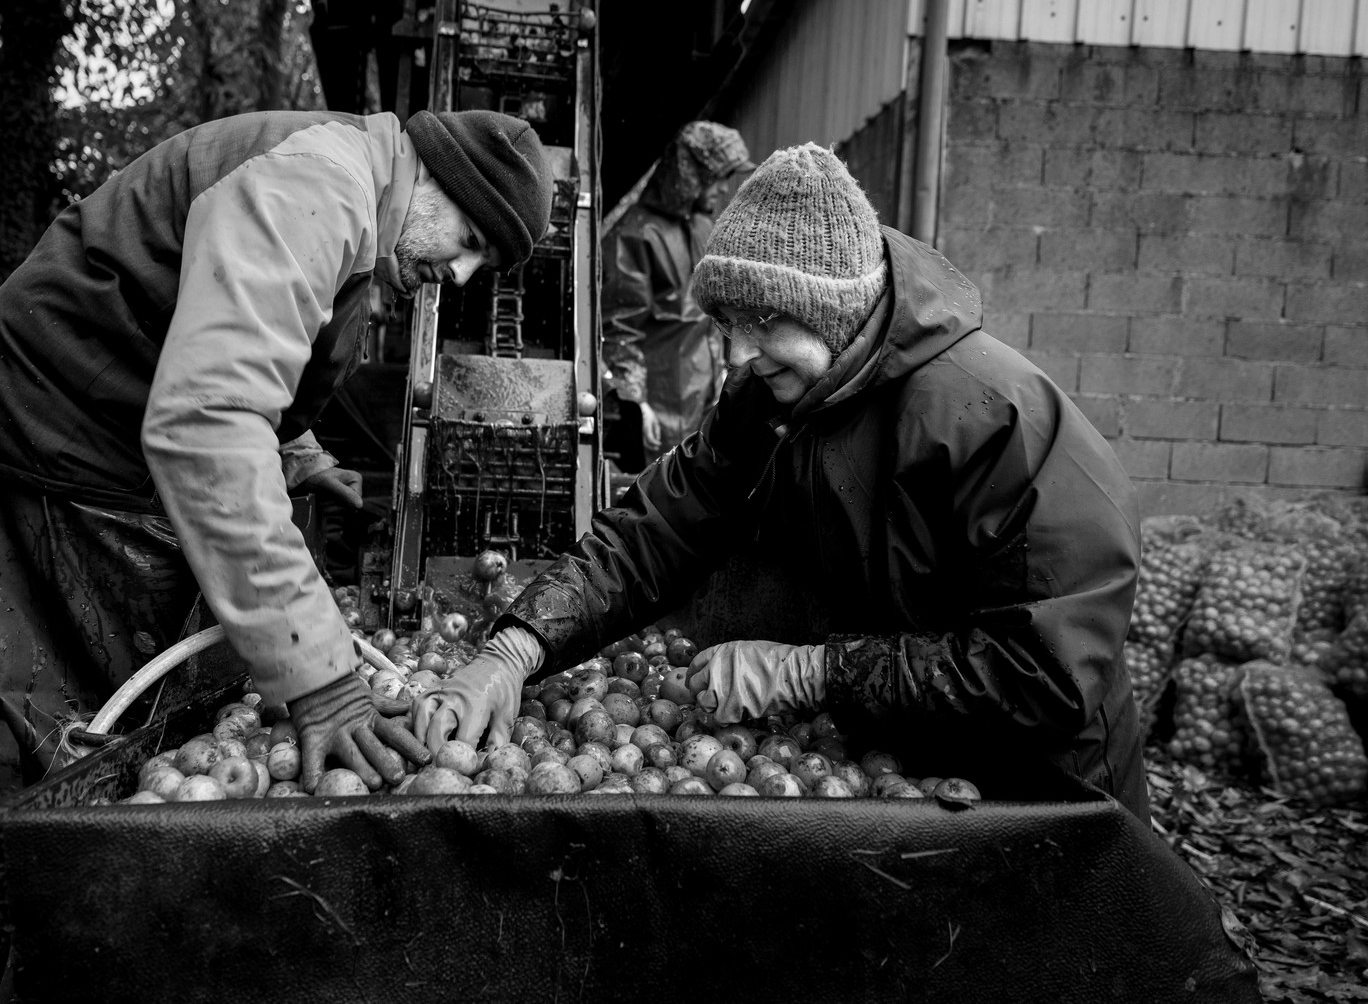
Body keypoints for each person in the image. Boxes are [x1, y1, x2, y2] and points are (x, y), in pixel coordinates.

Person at [414, 143, 1148, 819]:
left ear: (833, 308)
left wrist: (815, 674)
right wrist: (515, 650)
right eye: (726, 322)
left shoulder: (999, 423)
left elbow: (1043, 671)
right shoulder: (768, 401)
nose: (737, 354)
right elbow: (654, 531)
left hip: (1043, 796)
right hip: (889, 772)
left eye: (762, 320)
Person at [0, 108, 554, 798]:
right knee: (92, 730)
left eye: (482, 265)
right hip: (59, 435)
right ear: (435, 174)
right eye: (469, 241)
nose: (461, 275)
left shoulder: (351, 191)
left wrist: (298, 452)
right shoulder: (320, 183)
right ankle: (42, 844)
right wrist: (322, 678)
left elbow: (244, 341)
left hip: (93, 426)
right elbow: (210, 419)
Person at [601, 121, 753, 469]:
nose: (723, 188)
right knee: (658, 483)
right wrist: (636, 402)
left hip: (703, 396)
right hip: (659, 403)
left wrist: (723, 373)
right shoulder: (635, 233)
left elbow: (716, 314)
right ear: (693, 176)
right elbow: (619, 327)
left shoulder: (702, 227)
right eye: (719, 177)